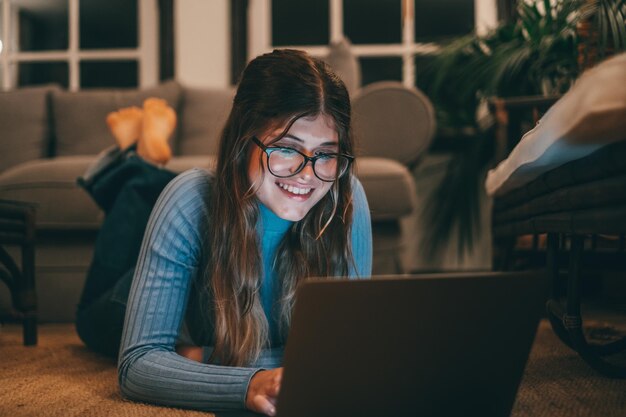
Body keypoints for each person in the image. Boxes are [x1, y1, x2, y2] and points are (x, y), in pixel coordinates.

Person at [75, 49, 372, 416]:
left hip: (230, 201)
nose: (308, 174)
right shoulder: (189, 201)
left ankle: (143, 161)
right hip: (120, 297)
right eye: (285, 149)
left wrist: (206, 357)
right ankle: (135, 161)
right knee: (93, 312)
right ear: (242, 141)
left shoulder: (346, 197)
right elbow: (138, 364)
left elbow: (344, 354)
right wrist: (248, 383)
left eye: (326, 154)